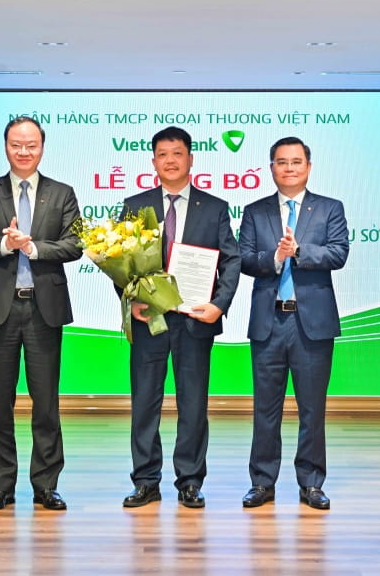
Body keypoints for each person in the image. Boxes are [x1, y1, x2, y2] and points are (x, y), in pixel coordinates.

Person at [0, 116, 82, 512]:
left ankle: (46, 485)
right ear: (5, 147)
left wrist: (32, 248)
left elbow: (75, 245)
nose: (24, 151)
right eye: (16, 145)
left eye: (31, 145)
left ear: (42, 147)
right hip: (1, 309)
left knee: (46, 403)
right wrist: (4, 245)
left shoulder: (62, 193)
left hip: (44, 309)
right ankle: (2, 485)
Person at [119, 126, 240, 509]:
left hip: (195, 321)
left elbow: (231, 260)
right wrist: (131, 301)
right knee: (144, 403)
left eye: (177, 153)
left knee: (193, 404)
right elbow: (120, 262)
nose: (170, 160)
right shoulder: (135, 206)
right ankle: (145, 481)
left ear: (191, 158)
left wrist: (219, 304)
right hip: (150, 320)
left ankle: (190, 480)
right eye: (162, 154)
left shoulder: (215, 207)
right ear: (153, 161)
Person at [237, 137, 349, 510]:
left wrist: (298, 251)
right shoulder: (255, 211)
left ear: (308, 167)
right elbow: (244, 259)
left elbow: (338, 253)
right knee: (265, 409)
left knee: (312, 409)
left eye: (296, 161)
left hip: (311, 324)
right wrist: (275, 257)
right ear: (272, 168)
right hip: (269, 322)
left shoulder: (330, 208)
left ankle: (311, 483)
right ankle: (262, 482)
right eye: (282, 162)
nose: (289, 168)